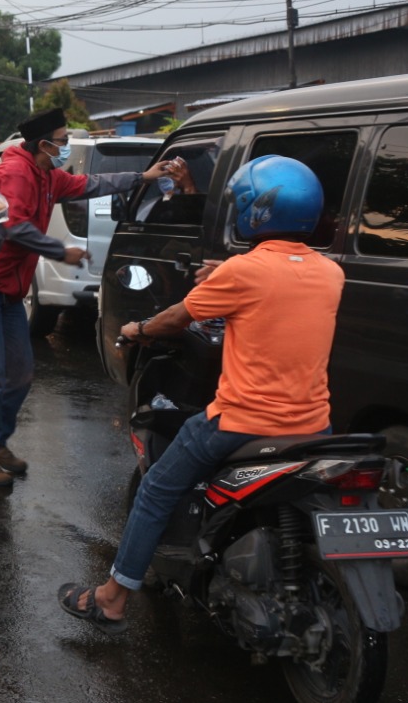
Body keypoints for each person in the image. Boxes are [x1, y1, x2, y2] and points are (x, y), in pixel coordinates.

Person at [57, 155, 341, 633]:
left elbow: (177, 318)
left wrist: (140, 327)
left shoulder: (241, 274)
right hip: (314, 426)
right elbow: (277, 286)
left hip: (239, 422)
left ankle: (110, 599)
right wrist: (227, 271)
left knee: (156, 490)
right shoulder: (331, 273)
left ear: (254, 211)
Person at [0, 107, 172, 486]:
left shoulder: (47, 174)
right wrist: (60, 250)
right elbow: (12, 227)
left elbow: (89, 184)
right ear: (43, 144)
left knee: (20, 375)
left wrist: (143, 176)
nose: (66, 146)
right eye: (62, 139)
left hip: (10, 289)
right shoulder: (14, 174)